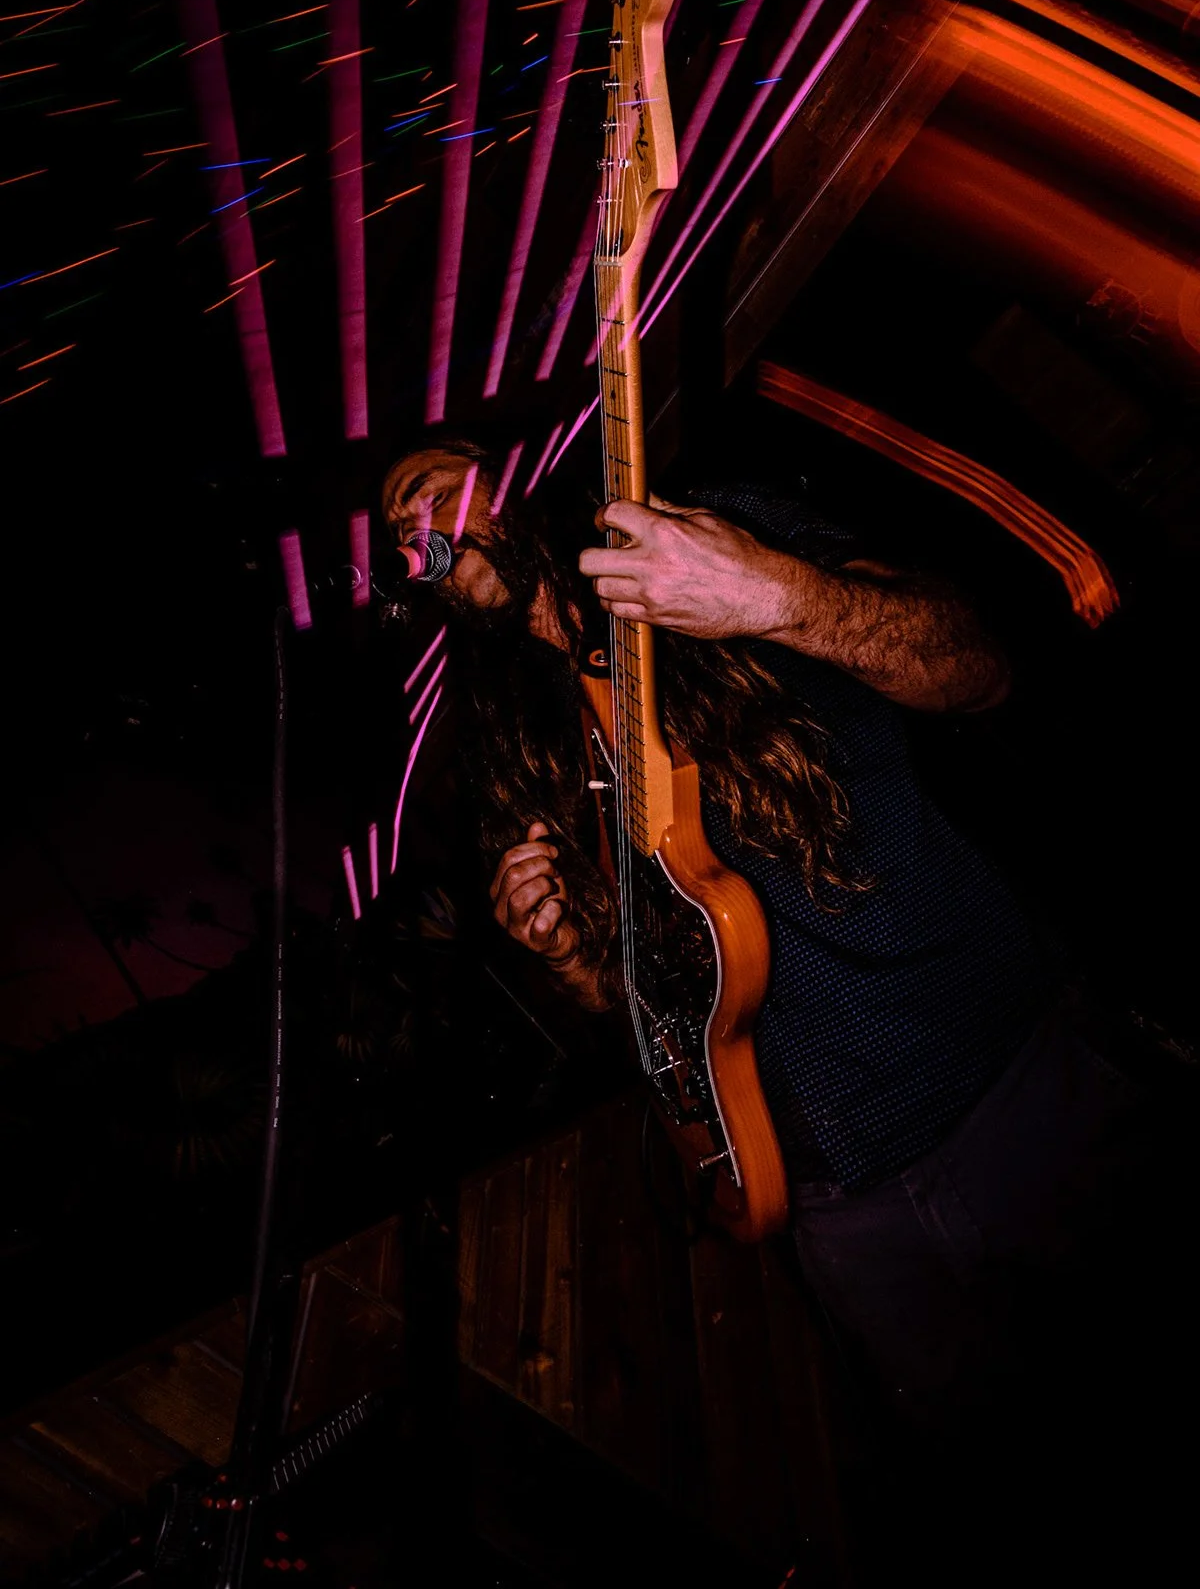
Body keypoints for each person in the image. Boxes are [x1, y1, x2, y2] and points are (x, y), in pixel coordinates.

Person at [382, 431, 1189, 1577]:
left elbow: (975, 663)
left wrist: (773, 593)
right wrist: (562, 955)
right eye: (403, 535)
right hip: (832, 1198)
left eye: (433, 490)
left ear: (510, 473)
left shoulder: (691, 528)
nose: (425, 532)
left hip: (1007, 1075)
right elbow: (649, 1013)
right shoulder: (511, 749)